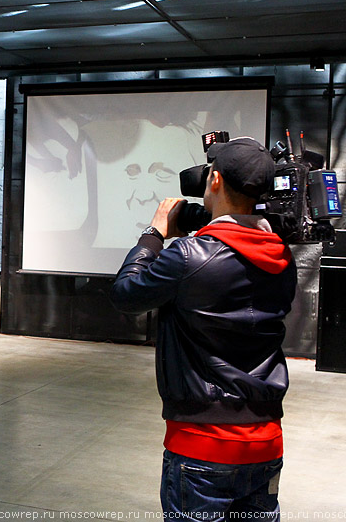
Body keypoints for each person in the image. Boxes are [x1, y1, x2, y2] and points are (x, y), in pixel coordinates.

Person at [110, 137, 297, 520]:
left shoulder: (190, 256)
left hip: (201, 444)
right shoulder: (281, 255)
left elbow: (126, 294)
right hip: (266, 444)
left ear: (215, 180)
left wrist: (155, 233)